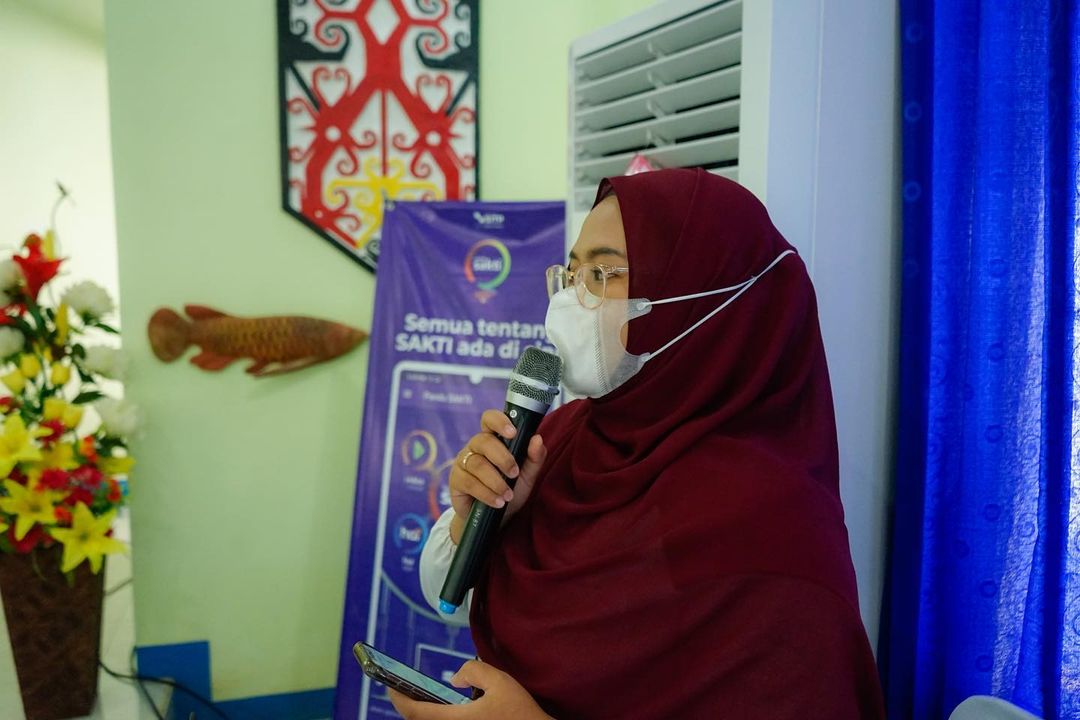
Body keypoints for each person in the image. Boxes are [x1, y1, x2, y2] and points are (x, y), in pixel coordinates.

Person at [389, 168, 886, 719]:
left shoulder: (773, 531)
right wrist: (479, 522)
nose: (571, 300)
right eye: (571, 273)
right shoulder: (561, 437)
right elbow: (450, 596)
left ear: (704, 300)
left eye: (603, 273)